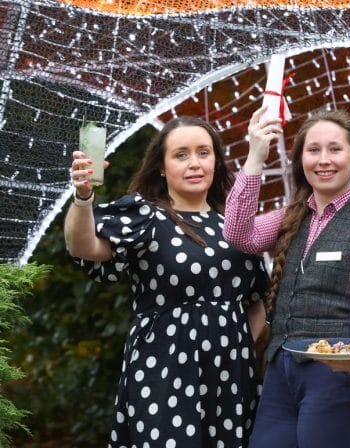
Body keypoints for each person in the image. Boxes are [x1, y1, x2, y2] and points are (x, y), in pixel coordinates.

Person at [64, 116, 269, 448]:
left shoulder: (235, 225)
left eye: (203, 153)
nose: (194, 163)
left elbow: (258, 300)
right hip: (165, 371)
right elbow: (83, 246)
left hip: (231, 377)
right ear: (161, 167)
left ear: (216, 161)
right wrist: (83, 196)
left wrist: (235, 345)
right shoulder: (147, 216)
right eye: (181, 155)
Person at [223, 107, 350, 448]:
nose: (324, 160)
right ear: (301, 159)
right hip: (281, 373)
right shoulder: (290, 217)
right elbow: (237, 234)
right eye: (313, 150)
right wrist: (255, 157)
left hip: (339, 378)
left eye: (335, 149)